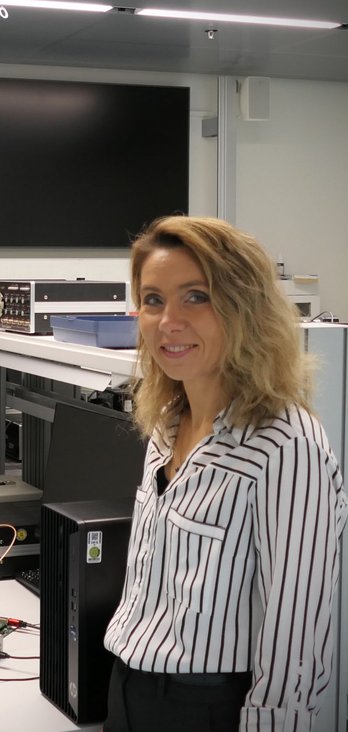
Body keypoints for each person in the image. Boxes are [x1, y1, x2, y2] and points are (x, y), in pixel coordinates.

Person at [103, 216, 347, 731]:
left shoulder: (285, 443)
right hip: (127, 691)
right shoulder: (168, 424)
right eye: (153, 300)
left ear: (244, 310)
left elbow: (296, 627)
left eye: (196, 297)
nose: (169, 321)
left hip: (207, 708)